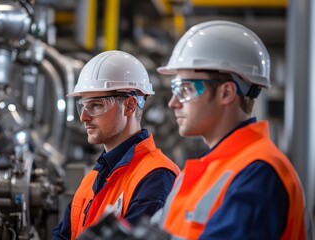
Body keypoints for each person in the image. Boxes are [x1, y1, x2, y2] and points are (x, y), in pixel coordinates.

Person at [154, 20, 312, 239]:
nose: (173, 102)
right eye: (174, 89)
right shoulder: (206, 170)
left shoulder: (259, 174)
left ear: (226, 93)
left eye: (185, 89)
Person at [52, 50, 180, 239]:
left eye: (95, 105)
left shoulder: (156, 175)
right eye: (83, 105)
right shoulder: (92, 179)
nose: (83, 117)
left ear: (129, 106)